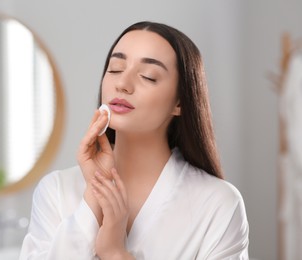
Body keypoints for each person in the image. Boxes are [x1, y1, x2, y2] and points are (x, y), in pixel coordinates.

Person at [19, 21, 249, 259]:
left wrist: (116, 253)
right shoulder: (56, 191)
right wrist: (93, 200)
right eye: (116, 69)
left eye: (148, 77)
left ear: (180, 101)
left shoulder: (219, 204)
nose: (123, 84)